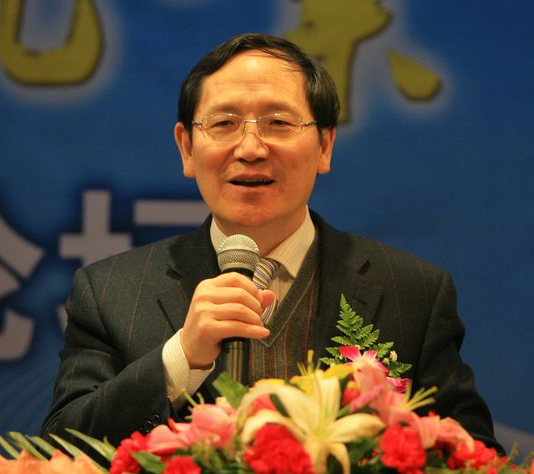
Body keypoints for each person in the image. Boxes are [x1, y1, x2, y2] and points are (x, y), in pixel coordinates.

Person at [41, 33, 500, 452]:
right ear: (187, 148)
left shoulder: (413, 292)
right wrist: (181, 358)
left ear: (324, 146)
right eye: (224, 123)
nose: (251, 148)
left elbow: (477, 459)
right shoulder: (111, 292)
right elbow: (61, 451)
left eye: (278, 122)